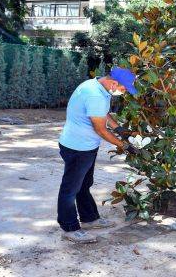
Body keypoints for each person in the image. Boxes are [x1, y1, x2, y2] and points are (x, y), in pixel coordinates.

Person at [57, 67, 138, 243]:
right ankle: (69, 227)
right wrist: (124, 145)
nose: (124, 93)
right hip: (78, 148)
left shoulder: (98, 87)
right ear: (114, 83)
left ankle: (89, 218)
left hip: (84, 146)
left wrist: (118, 128)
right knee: (70, 189)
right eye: (124, 89)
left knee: (84, 184)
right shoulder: (95, 95)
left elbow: (102, 114)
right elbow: (100, 129)